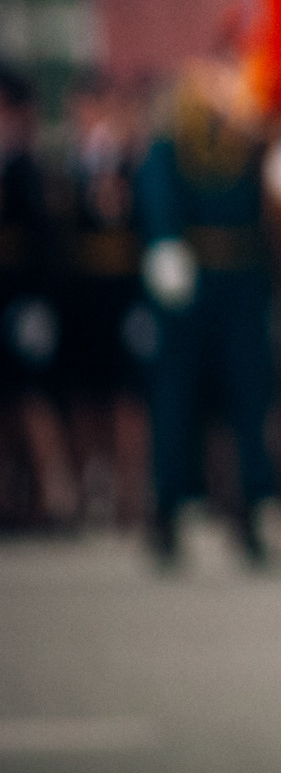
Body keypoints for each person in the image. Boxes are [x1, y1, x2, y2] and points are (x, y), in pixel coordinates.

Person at [138, 37, 280, 566]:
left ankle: (250, 511)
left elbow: (272, 207)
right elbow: (157, 174)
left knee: (249, 401)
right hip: (191, 276)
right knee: (176, 400)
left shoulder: (260, 119)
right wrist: (164, 240)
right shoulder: (184, 112)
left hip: (242, 278)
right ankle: (168, 509)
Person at [54, 74, 154, 527]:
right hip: (83, 290)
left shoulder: (134, 161)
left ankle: (130, 496)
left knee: (127, 397)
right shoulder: (74, 163)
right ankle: (93, 487)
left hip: (124, 286)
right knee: (85, 396)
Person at [1, 65, 77, 527]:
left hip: (22, 294)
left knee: (31, 400)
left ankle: (57, 495)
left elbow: (44, 239)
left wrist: (40, 301)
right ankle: (14, 498)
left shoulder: (26, 166)